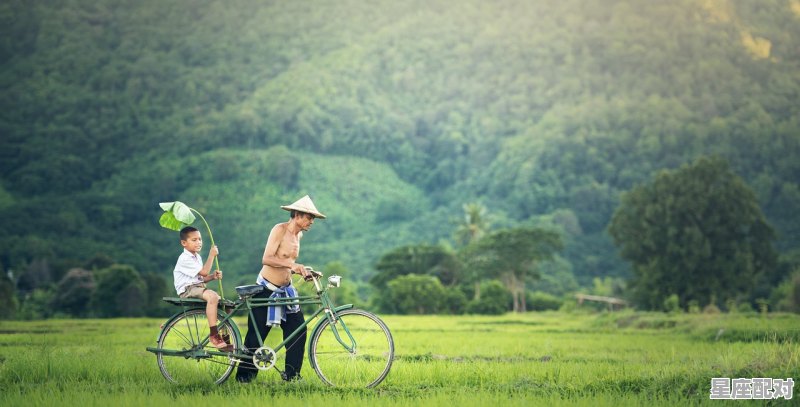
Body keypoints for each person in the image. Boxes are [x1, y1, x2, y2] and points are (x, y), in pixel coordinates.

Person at [236, 195, 325, 383]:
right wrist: (293, 266)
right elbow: (267, 258)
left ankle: (292, 376)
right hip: (266, 289)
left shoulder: (298, 235)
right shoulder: (279, 229)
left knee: (298, 330)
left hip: (286, 290)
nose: (311, 222)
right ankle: (244, 378)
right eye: (309, 218)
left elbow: (288, 263)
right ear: (298, 215)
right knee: (256, 335)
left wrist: (303, 270)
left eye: (313, 219)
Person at [173, 226, 232, 351]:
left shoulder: (197, 257)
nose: (198, 242)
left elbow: (202, 278)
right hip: (187, 290)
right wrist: (211, 255)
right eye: (194, 240)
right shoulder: (184, 258)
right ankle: (214, 335)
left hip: (197, 287)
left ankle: (226, 337)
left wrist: (213, 276)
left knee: (227, 305)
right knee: (213, 296)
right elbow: (204, 272)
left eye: (200, 239)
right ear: (184, 243)